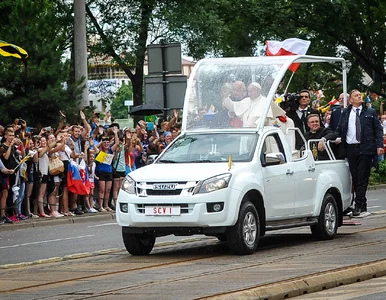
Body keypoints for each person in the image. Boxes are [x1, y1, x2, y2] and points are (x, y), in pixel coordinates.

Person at [336, 89, 384, 217]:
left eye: (360, 95)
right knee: (356, 176)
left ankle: (358, 205)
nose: (359, 97)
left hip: (366, 147)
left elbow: (378, 130)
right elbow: (340, 129)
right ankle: (363, 204)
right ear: (351, 100)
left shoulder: (370, 111)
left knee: (363, 176)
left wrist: (379, 145)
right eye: (356, 95)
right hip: (351, 148)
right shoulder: (346, 113)